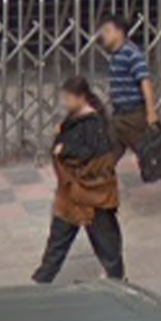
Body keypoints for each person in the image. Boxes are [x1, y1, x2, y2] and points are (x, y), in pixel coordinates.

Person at [33, 78, 125, 285]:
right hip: (73, 192)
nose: (65, 102)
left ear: (80, 97)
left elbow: (92, 157)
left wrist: (64, 149)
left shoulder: (94, 125)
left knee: (105, 239)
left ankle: (116, 279)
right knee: (60, 238)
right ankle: (43, 279)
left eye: (68, 98)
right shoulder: (77, 118)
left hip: (92, 194)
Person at [97, 17, 161, 201]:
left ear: (120, 32)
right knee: (106, 154)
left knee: (155, 157)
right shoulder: (116, 56)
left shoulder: (131, 54)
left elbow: (145, 83)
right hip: (119, 118)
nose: (103, 36)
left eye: (107, 31)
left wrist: (151, 113)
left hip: (134, 118)